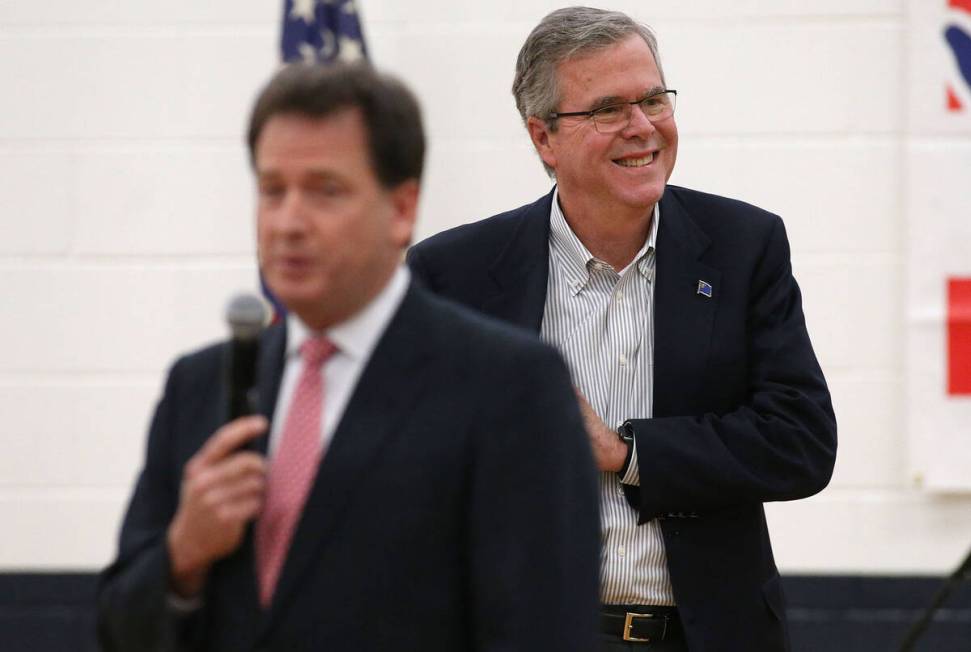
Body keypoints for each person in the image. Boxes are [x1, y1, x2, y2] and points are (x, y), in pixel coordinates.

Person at [97, 62, 601, 652]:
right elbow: (115, 631)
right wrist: (181, 557)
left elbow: (542, 630)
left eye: (325, 190)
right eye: (272, 190)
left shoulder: (508, 385)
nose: (288, 223)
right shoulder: (199, 385)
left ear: (402, 209)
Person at [407, 7, 837, 652]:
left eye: (653, 99)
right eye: (607, 108)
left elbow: (801, 442)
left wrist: (627, 453)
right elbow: (410, 466)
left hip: (701, 635)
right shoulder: (454, 273)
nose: (642, 128)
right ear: (543, 138)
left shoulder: (744, 248)